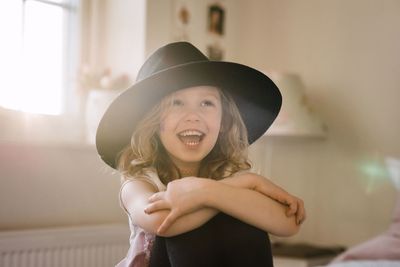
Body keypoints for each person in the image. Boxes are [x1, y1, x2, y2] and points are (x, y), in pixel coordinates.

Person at [96, 42, 306, 267]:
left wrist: (208, 192)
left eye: (206, 103)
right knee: (187, 228)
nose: (193, 116)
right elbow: (162, 222)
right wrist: (244, 183)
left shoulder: (225, 174)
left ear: (224, 121)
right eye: (177, 103)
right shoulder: (138, 181)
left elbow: (288, 223)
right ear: (153, 122)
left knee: (243, 221)